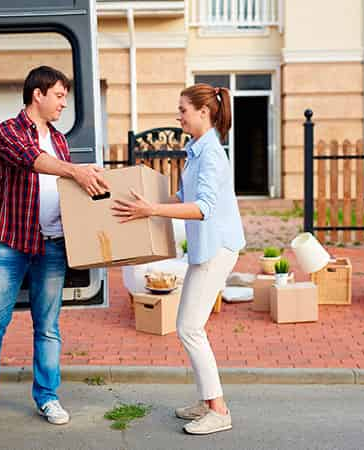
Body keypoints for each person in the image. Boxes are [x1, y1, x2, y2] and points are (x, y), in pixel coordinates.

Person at [0, 66, 109, 425]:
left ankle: (48, 398)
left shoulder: (61, 139)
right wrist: (74, 170)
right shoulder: (8, 131)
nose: (64, 104)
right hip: (10, 245)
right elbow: (33, 160)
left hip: (52, 246)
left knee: (48, 327)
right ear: (39, 94)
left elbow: (66, 183)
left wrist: (88, 177)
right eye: (60, 96)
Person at [111, 83, 245, 435]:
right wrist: (146, 200)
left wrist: (151, 208)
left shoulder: (212, 154)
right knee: (189, 327)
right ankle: (206, 401)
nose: (178, 115)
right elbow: (182, 198)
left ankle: (219, 410)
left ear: (204, 112)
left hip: (218, 249)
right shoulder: (196, 149)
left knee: (189, 328)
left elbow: (203, 208)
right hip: (206, 249)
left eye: (183, 109)